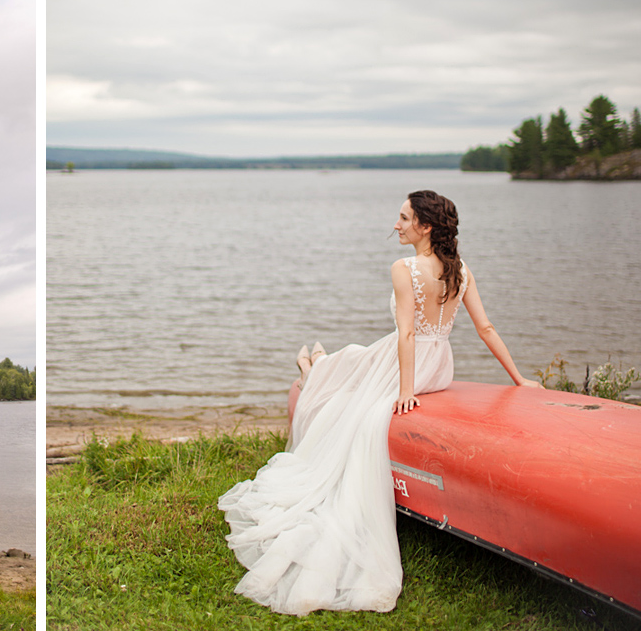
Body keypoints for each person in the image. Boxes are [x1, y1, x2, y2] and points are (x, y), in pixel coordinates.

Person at [217, 190, 541, 616]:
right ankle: (316, 363)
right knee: (351, 360)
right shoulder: (461, 269)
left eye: (404, 218)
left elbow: (406, 334)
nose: (396, 224)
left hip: (407, 360)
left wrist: (405, 390)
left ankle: (311, 365)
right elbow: (486, 327)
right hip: (439, 363)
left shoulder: (404, 268)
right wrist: (518, 378)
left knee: (344, 384)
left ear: (425, 226)